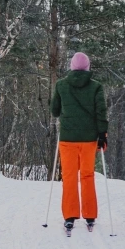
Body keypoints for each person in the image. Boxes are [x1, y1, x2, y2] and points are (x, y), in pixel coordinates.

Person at [50, 52, 108, 232]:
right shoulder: (96, 87)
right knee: (87, 175)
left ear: (71, 66)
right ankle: (90, 215)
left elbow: (55, 111)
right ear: (88, 67)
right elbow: (101, 112)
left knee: (69, 176)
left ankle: (69, 216)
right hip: (89, 139)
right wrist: (102, 135)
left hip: (68, 139)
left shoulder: (61, 85)